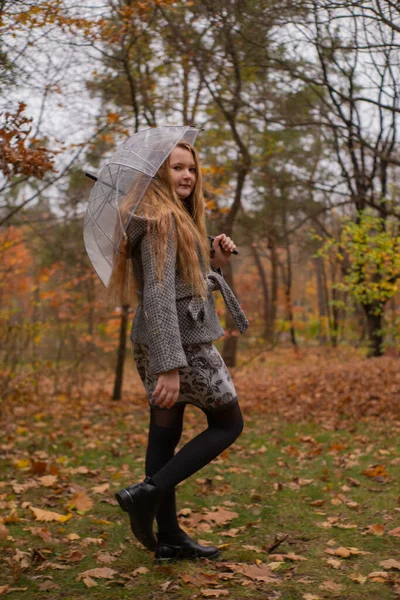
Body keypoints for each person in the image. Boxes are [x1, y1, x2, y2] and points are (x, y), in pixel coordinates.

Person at [111, 139, 249, 563]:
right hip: (178, 343)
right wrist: (170, 365)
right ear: (158, 175)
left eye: (191, 168)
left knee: (165, 434)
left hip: (158, 339)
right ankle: (146, 495)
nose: (187, 175)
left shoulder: (171, 219)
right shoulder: (160, 221)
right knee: (228, 424)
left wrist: (214, 262)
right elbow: (156, 292)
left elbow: (178, 280)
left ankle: (169, 537)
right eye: (176, 168)